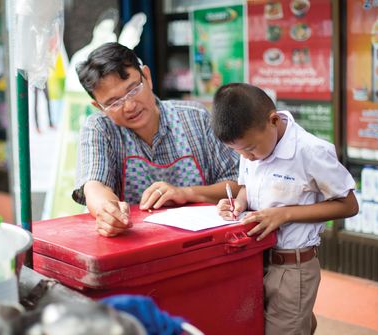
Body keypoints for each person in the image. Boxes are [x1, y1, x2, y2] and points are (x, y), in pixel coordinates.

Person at [211, 83, 358, 335]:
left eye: (249, 149)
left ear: (273, 120)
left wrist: (285, 214)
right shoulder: (250, 146)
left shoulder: (310, 151)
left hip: (293, 267)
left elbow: (349, 204)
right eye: (237, 151)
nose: (246, 158)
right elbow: (246, 186)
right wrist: (239, 203)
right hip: (256, 259)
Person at [72, 42, 239, 237]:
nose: (130, 106)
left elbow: (236, 183)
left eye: (133, 89)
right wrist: (107, 212)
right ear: (100, 107)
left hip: (204, 242)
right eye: (114, 102)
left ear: (147, 77)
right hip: (137, 247)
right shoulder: (100, 128)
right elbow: (95, 186)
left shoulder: (196, 118)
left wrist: (185, 193)